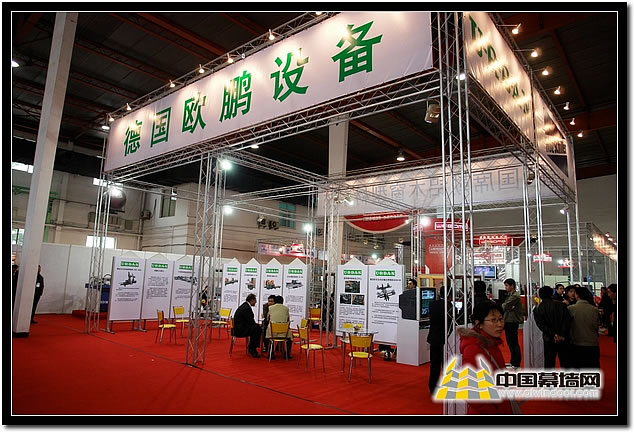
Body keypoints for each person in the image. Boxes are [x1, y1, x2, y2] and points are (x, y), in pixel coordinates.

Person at [458, 302, 514, 415]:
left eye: (501, 319)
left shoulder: (491, 343)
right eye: (493, 320)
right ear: (479, 323)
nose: (500, 324)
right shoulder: (474, 348)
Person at [533, 285, 571, 368]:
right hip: (563, 338)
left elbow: (541, 325)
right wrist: (561, 334)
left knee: (549, 362)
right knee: (565, 362)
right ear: (551, 294)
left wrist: (553, 334)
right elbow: (567, 321)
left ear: (540, 295)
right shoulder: (561, 305)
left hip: (549, 338)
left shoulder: (538, 308)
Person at [427, 285, 456, 394]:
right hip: (446, 339)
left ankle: (433, 387)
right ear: (450, 295)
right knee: (446, 364)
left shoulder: (432, 304)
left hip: (434, 338)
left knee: (434, 364)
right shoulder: (450, 307)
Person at [567, 286, 600, 369]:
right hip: (592, 343)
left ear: (577, 295)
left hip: (576, 343)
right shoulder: (594, 309)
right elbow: (597, 325)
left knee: (577, 368)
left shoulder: (570, 309)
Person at [501, 278, 523, 369]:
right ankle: (513, 361)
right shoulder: (510, 295)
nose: (505, 287)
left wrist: (506, 307)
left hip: (512, 321)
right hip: (508, 320)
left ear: (512, 286)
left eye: (507, 285)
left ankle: (516, 363)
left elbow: (505, 305)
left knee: (513, 343)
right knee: (510, 343)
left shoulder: (515, 296)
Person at [233, 293, 262, 358]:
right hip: (240, 330)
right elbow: (250, 320)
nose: (256, 302)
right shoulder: (246, 308)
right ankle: (252, 348)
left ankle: (252, 347)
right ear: (252, 300)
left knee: (256, 328)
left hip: (239, 327)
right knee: (257, 329)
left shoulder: (245, 306)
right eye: (255, 300)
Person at [265, 295, 293, 359]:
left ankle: (271, 354)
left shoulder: (270, 308)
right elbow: (288, 320)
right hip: (284, 333)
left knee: (269, 338)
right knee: (290, 338)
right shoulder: (286, 308)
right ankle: (287, 353)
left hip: (272, 332)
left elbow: (267, 318)